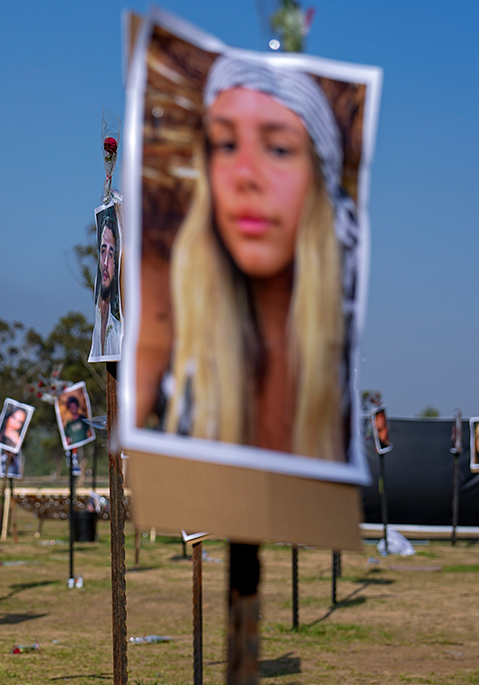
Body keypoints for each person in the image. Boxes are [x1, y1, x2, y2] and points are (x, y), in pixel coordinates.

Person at [140, 55, 354, 462]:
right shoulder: (173, 358)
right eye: (226, 145)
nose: (245, 175)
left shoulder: (337, 378)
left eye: (277, 148)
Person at [91, 208, 122, 358]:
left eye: (111, 254)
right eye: (103, 251)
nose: (104, 262)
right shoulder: (98, 319)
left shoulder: (118, 330)